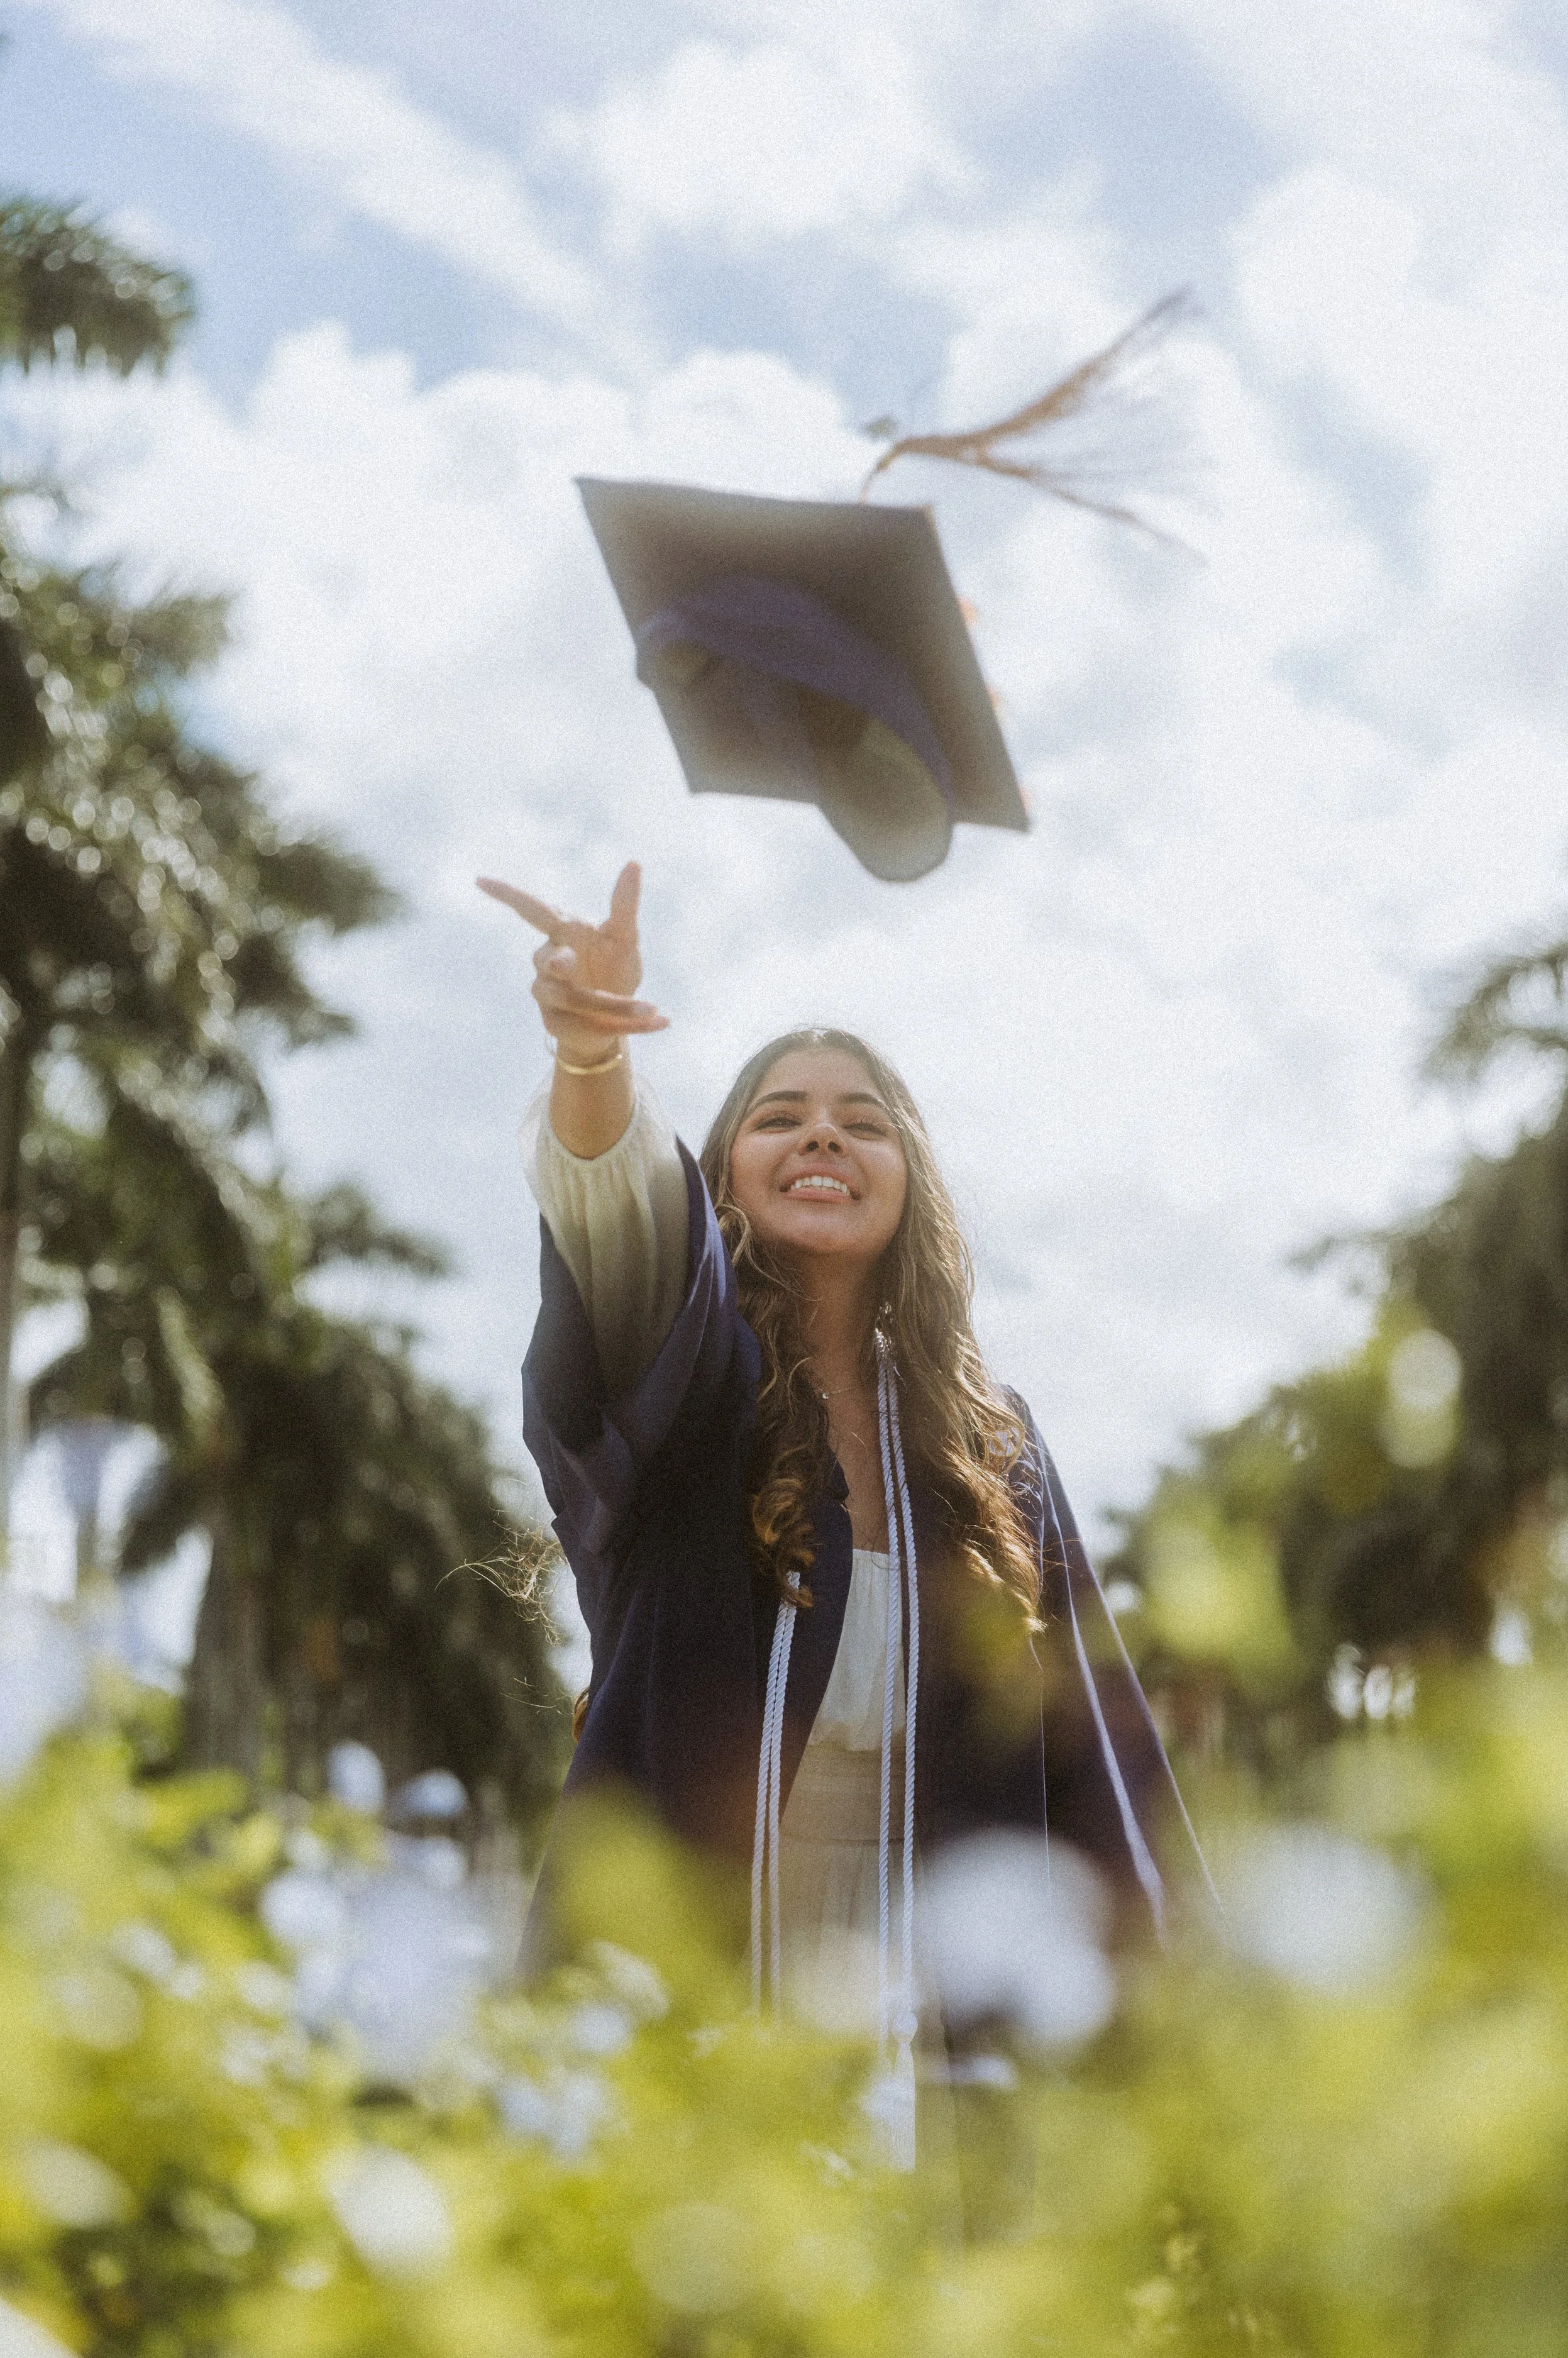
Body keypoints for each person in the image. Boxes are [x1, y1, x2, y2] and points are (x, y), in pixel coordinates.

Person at [480, 860, 1196, 2161]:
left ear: (908, 1178)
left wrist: (1169, 2004)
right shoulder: (686, 1382)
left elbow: (1088, 1741)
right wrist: (591, 1057)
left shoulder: (992, 1447)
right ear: (724, 1172)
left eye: (861, 1120)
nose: (821, 1136)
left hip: (930, 1971)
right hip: (698, 1942)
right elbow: (618, 1212)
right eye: (778, 1116)